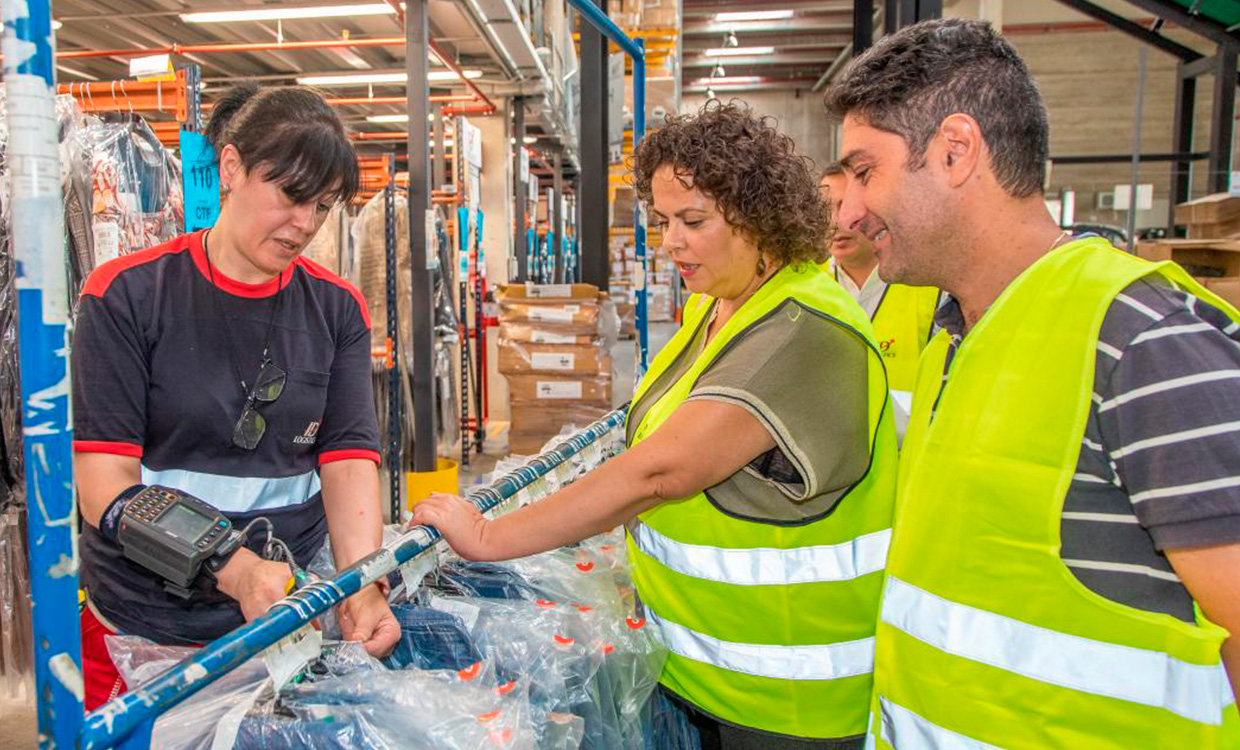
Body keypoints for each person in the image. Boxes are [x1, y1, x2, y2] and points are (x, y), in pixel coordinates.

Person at [411, 102, 898, 749]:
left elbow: (661, 469)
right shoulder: (723, 305)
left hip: (784, 698)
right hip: (700, 676)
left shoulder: (801, 328)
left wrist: (489, 536)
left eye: (693, 221)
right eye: (664, 220)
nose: (670, 242)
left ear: (761, 215)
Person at [825, 18, 1240, 749]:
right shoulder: (953, 335)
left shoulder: (1140, 339)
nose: (849, 210)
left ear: (955, 151)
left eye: (865, 172)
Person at [70, 84, 399, 710]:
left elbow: (348, 459)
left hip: (284, 619)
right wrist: (234, 566)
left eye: (323, 207)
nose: (304, 224)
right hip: (144, 627)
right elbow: (104, 488)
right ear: (230, 169)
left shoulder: (337, 309)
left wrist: (362, 584)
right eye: (291, 196)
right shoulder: (126, 296)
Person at [819, 162, 940, 399]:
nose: (836, 221)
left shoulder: (928, 284)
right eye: (825, 209)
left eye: (845, 205)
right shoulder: (804, 286)